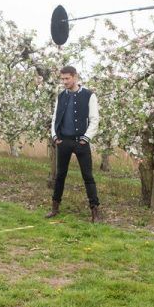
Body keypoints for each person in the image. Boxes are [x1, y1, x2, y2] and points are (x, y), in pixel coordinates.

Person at [47, 65, 101, 223]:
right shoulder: (61, 96)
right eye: (62, 79)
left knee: (88, 176)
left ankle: (95, 211)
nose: (64, 82)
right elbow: (55, 118)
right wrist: (55, 136)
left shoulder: (89, 95)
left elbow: (94, 119)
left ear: (75, 77)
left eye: (67, 78)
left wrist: (86, 138)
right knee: (60, 176)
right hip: (63, 141)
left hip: (81, 142)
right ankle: (55, 208)